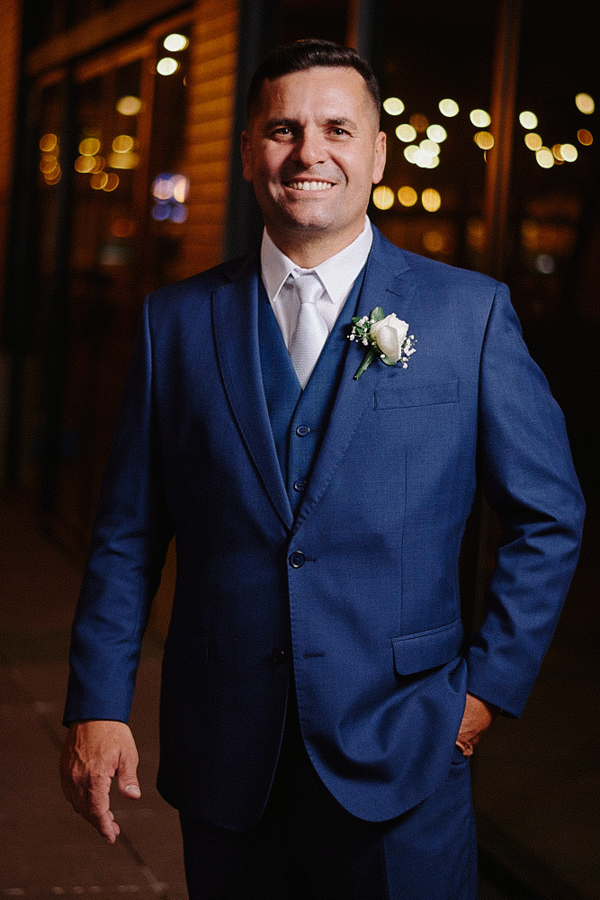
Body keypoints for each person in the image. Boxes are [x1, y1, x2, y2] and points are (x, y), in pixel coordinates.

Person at [60, 39, 585, 899]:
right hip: (226, 751)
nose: (310, 152)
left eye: (338, 128)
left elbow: (549, 516)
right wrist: (99, 701)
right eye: (283, 129)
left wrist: (483, 693)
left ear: (378, 152)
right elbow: (127, 534)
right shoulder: (175, 324)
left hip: (408, 744)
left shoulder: (470, 314)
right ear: (247, 154)